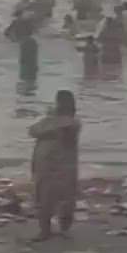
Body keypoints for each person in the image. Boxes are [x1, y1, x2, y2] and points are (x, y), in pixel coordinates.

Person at [29, 90, 81, 242]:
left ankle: (62, 229)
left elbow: (51, 130)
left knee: (65, 199)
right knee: (45, 198)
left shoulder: (71, 123)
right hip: (47, 164)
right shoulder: (54, 120)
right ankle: (45, 230)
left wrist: (50, 120)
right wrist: (50, 119)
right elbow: (33, 131)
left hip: (62, 165)